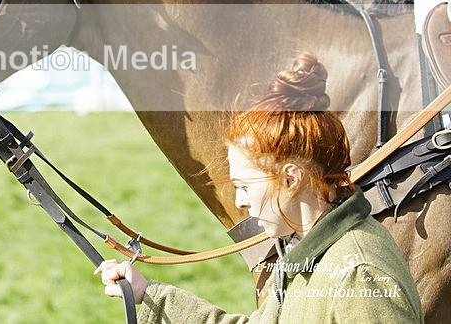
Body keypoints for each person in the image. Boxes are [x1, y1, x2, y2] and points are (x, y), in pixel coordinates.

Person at [96, 53, 423, 323]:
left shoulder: (358, 276)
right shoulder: (305, 249)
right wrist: (148, 295)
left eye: (245, 186)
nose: (240, 202)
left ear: (292, 180)